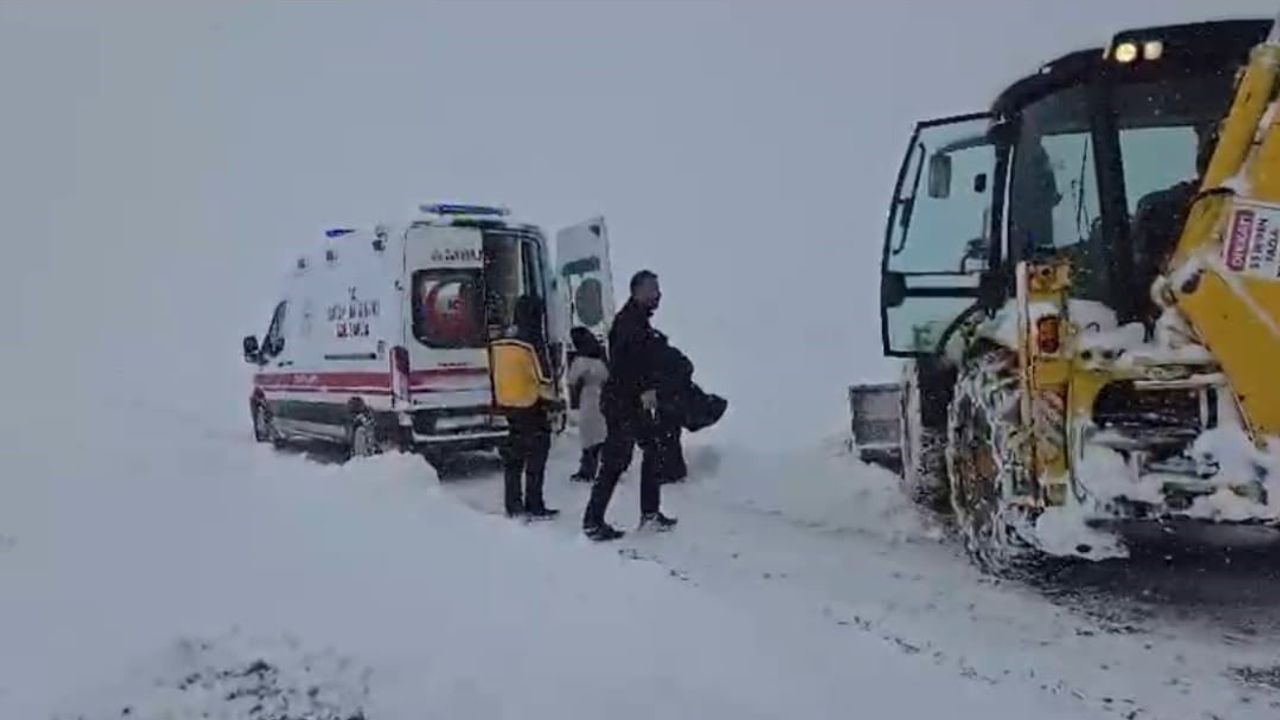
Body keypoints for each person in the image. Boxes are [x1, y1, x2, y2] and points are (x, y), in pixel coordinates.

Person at [582, 270, 677, 541]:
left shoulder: (639, 321)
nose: (658, 295)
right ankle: (592, 521)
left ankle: (650, 513)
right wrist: (645, 389)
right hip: (622, 403)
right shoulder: (628, 323)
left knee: (654, 450)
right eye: (652, 290)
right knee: (615, 462)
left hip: (633, 403)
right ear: (637, 291)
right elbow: (627, 365)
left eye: (658, 290)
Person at [489, 295, 558, 520]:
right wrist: (553, 402)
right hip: (530, 406)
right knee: (536, 458)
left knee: (513, 460)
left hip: (505, 406)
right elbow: (545, 378)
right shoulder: (532, 341)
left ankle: (513, 504)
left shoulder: (499, 340)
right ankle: (534, 504)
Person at [566, 326, 609, 483]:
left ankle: (587, 470)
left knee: (588, 437)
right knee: (601, 434)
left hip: (588, 397)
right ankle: (606, 466)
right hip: (602, 396)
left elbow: (571, 380)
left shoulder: (580, 361)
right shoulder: (600, 358)